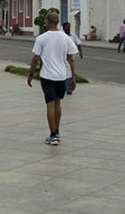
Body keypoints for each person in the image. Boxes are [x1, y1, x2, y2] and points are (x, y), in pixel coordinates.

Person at [27, 11, 78, 146]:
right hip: (62, 76)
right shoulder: (66, 38)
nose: (44, 23)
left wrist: (31, 74)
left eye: (45, 21)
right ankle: (57, 131)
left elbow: (35, 59)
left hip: (47, 76)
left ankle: (53, 134)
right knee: (58, 103)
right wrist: (73, 77)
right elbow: (71, 59)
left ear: (48, 22)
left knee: (50, 105)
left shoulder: (42, 38)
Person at [61, 21, 83, 95]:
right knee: (64, 72)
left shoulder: (73, 36)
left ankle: (68, 88)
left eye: (69, 27)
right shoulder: (61, 36)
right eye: (67, 27)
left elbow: (78, 44)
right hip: (62, 57)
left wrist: (81, 53)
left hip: (70, 57)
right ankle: (66, 88)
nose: (68, 28)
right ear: (63, 28)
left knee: (69, 72)